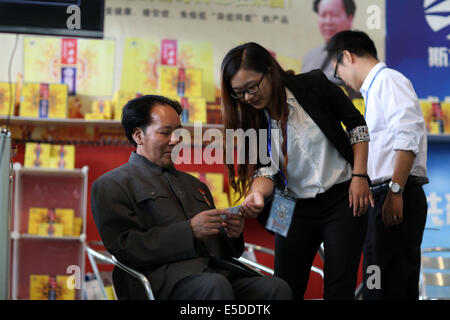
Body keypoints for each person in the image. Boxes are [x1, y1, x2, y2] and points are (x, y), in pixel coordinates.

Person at [91, 95, 293, 300]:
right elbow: (125, 246)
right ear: (138, 135)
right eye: (165, 132)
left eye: (178, 132)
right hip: (158, 281)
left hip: (213, 273)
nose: (176, 139)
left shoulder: (195, 185)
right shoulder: (112, 184)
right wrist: (189, 231)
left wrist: (231, 234)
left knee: (276, 288)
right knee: (214, 286)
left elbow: (223, 251)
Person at [220, 42, 373, 300]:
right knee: (284, 285)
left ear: (270, 71)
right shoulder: (250, 119)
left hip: (342, 196)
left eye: (252, 87)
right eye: (239, 92)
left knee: (339, 282)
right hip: (288, 204)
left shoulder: (313, 85)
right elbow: (264, 171)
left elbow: (357, 126)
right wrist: (257, 195)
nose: (247, 97)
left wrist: (359, 176)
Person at [326, 30, 428, 300]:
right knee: (377, 282)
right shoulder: (373, 92)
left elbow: (408, 137)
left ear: (346, 56)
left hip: (395, 193)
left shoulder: (389, 81)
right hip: (383, 195)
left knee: (391, 286)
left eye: (338, 72)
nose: (344, 82)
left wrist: (395, 191)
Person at [301, 0, 361, 100]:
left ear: (350, 18)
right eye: (323, 15)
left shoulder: (361, 56)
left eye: (335, 15)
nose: (328, 22)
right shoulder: (309, 58)